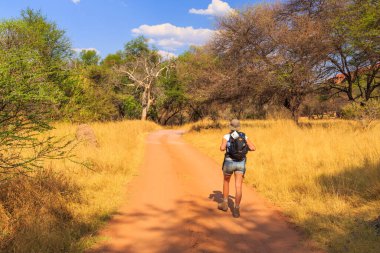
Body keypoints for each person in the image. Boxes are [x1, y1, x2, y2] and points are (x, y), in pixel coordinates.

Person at [218, 119, 256, 218]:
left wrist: (225, 145)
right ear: (239, 127)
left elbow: (222, 148)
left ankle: (225, 204)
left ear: (230, 126)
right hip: (241, 163)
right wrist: (245, 148)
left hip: (229, 162)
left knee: (226, 181)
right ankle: (236, 209)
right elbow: (253, 148)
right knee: (238, 186)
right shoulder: (244, 136)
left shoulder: (226, 136)